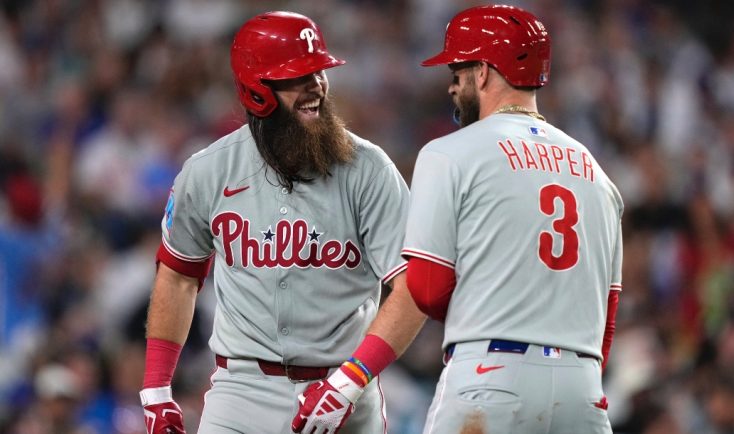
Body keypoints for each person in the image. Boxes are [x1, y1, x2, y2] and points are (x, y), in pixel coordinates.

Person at [139, 11, 425, 434]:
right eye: (297, 76)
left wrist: (351, 381)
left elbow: (413, 288)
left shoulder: (370, 170)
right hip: (242, 392)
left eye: (318, 72)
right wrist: (156, 388)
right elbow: (179, 275)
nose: (316, 87)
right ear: (257, 92)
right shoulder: (209, 170)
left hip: (345, 389)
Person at [401, 5, 624, 434]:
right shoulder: (596, 171)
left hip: (490, 379)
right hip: (583, 390)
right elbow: (607, 319)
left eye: (456, 72)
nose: (451, 86)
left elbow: (427, 290)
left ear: (482, 72)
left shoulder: (449, 152)